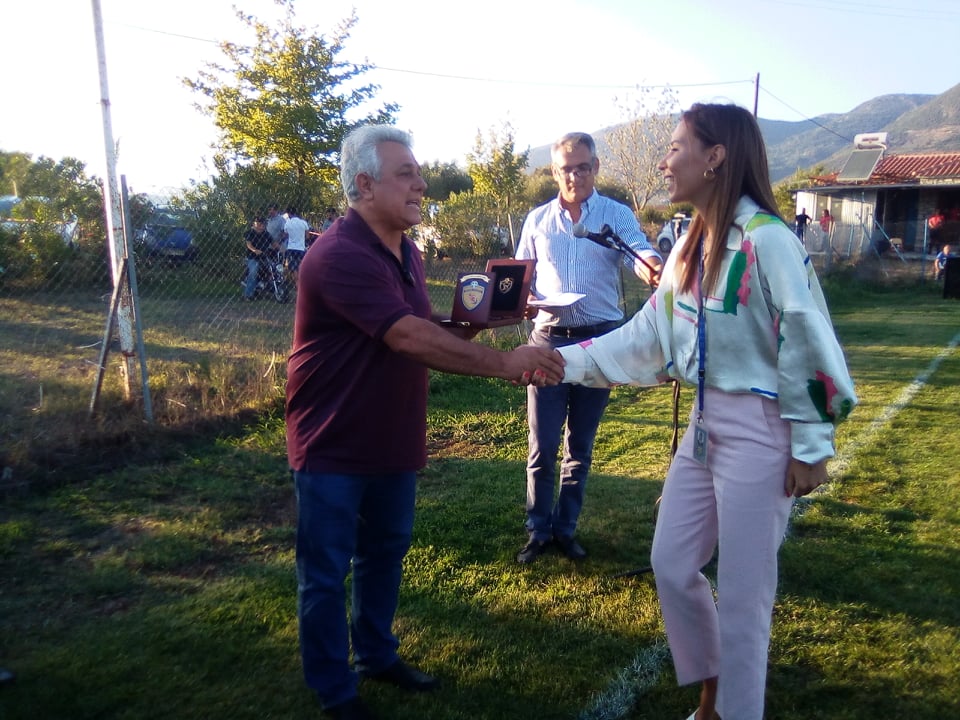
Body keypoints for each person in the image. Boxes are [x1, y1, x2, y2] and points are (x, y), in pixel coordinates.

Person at [553, 104, 857, 720]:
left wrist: (811, 446)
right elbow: (648, 334)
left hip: (762, 432)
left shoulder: (769, 240)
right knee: (670, 564)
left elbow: (807, 340)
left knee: (744, 598)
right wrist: (559, 362)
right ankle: (713, 693)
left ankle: (730, 710)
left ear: (715, 157)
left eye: (675, 147)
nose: (665, 162)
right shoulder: (690, 244)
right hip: (703, 425)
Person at [286, 124, 565, 720]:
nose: (421, 185)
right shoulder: (338, 255)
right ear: (364, 185)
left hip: (392, 434)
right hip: (333, 440)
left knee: (384, 552)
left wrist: (480, 321)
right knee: (325, 573)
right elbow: (406, 336)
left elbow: (420, 327)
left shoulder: (405, 250)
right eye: (406, 174)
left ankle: (376, 656)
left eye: (419, 173)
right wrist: (507, 363)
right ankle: (335, 691)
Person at [514, 131, 662, 564]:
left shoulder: (615, 215)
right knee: (542, 445)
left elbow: (638, 252)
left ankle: (566, 529)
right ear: (554, 172)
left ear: (595, 167)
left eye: (582, 167)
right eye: (566, 169)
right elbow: (520, 277)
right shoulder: (537, 220)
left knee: (580, 445)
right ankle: (538, 530)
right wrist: (525, 300)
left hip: (600, 343)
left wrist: (654, 267)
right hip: (549, 342)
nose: (574, 176)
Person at [242, 216, 277, 300]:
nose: (262, 225)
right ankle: (247, 295)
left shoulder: (266, 234)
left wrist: (282, 250)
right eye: (259, 223)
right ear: (255, 224)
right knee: (253, 272)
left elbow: (274, 243)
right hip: (252, 257)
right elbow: (248, 244)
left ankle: (272, 288)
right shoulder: (250, 233)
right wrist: (255, 250)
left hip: (265, 257)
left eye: (263, 224)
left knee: (274, 268)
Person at [283, 207, 310, 287]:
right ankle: (302, 283)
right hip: (301, 248)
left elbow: (285, 235)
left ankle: (297, 284)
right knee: (301, 266)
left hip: (291, 248)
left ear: (288, 214)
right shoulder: (303, 222)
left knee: (293, 268)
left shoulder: (288, 223)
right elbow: (307, 236)